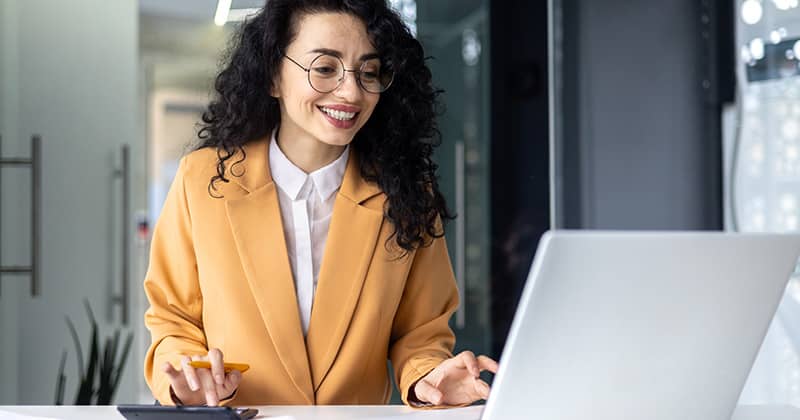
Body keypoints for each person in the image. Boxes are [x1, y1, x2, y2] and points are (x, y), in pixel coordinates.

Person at [143, 0, 497, 408]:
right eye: (325, 68)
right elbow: (173, 319)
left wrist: (428, 378)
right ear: (273, 75)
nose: (351, 92)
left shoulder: (406, 194)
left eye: (368, 72)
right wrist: (186, 374)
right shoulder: (201, 180)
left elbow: (421, 333)